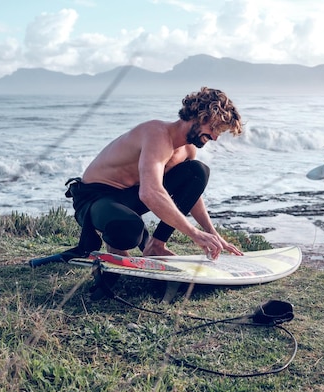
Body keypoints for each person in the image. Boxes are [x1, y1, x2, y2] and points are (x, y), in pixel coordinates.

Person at [65, 87, 244, 261]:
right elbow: (150, 193)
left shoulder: (188, 150)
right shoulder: (156, 134)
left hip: (129, 198)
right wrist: (194, 234)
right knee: (129, 230)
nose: (215, 137)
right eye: (213, 128)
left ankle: (156, 246)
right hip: (95, 199)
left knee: (198, 171)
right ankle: (116, 245)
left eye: (219, 132)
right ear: (198, 116)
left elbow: (191, 195)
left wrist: (212, 233)